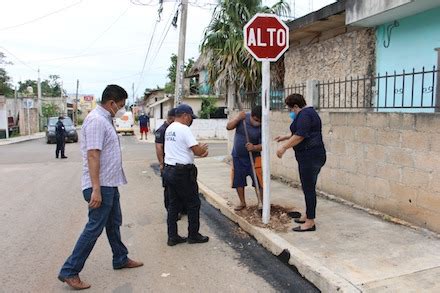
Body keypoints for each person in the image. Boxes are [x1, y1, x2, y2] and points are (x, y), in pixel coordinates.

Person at [58, 85, 143, 290]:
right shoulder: (96, 121)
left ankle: (120, 258)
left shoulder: (105, 119)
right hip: (100, 185)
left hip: (109, 183)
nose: (122, 109)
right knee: (94, 228)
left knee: (113, 223)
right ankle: (69, 271)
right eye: (121, 105)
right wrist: (96, 189)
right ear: (112, 103)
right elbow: (93, 154)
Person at [275, 93, 326, 232]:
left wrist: (284, 147)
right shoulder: (309, 113)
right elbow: (302, 131)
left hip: (310, 156)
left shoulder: (304, 115)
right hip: (312, 156)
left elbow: (300, 135)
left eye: (291, 109)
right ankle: (307, 215)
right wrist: (285, 137)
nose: (290, 113)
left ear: (296, 106)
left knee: (309, 188)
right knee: (307, 187)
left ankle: (310, 222)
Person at [162, 104, 209, 246]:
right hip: (182, 172)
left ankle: (172, 236)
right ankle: (193, 235)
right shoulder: (184, 129)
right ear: (185, 116)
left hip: (169, 170)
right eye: (190, 118)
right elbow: (198, 151)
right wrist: (203, 150)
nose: (191, 121)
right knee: (193, 203)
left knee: (173, 204)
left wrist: (196, 149)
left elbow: (182, 148)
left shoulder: (170, 128)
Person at [226, 106, 263, 211]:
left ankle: (261, 204)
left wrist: (254, 147)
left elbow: (263, 145)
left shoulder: (262, 127)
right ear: (251, 116)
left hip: (255, 158)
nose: (257, 123)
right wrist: (237, 118)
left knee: (258, 182)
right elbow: (228, 127)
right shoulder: (242, 118)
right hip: (238, 157)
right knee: (238, 181)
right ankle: (242, 202)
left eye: (259, 121)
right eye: (256, 120)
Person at [155, 108, 176, 210]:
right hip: (167, 164)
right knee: (168, 189)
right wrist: (161, 163)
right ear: (171, 118)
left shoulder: (173, 129)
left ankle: (178, 209)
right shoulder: (162, 130)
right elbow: (159, 147)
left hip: (173, 164)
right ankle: (170, 209)